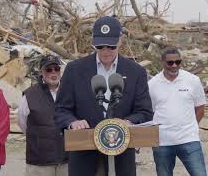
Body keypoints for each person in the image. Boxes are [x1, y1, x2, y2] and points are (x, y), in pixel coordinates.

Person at [54, 16, 153, 176]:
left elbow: (145, 112)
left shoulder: (136, 72)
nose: (105, 51)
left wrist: (128, 122)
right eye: (100, 46)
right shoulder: (75, 70)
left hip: (121, 156)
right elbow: (61, 110)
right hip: (83, 155)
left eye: (111, 46)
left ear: (120, 41)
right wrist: (72, 122)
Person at [148, 47, 207, 176]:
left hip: (189, 139)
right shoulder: (152, 84)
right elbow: (150, 112)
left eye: (178, 62)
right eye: (170, 63)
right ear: (162, 63)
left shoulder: (192, 81)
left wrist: (191, 127)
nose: (174, 65)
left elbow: (200, 108)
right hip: (162, 142)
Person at [18, 53, 68, 176]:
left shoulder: (69, 92)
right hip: (39, 161)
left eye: (56, 69)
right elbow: (22, 122)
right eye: (49, 69)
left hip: (66, 159)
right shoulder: (30, 95)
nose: (53, 73)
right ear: (41, 72)